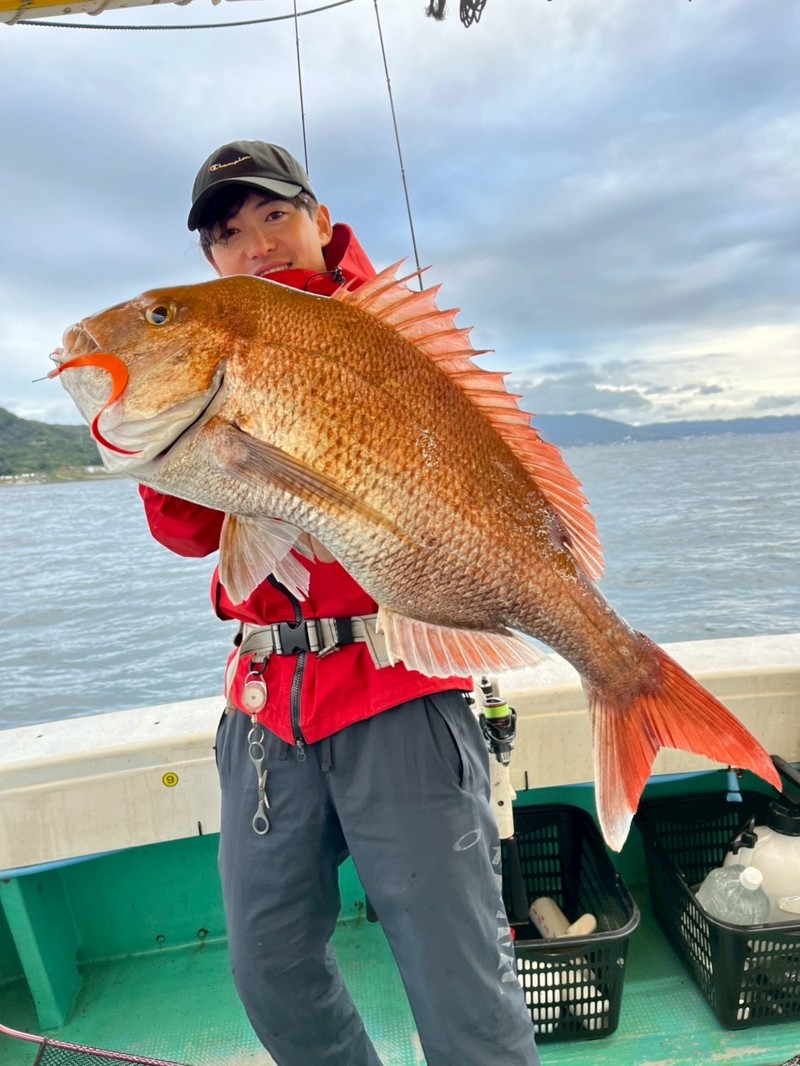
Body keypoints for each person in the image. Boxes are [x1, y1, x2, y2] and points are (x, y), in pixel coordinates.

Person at [140, 139, 540, 1066]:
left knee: (459, 982)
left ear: (321, 221)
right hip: (268, 705)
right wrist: (161, 428)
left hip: (399, 683)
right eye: (229, 234)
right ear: (210, 260)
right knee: (267, 965)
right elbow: (192, 535)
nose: (258, 245)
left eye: (276, 216)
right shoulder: (206, 346)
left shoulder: (386, 334)